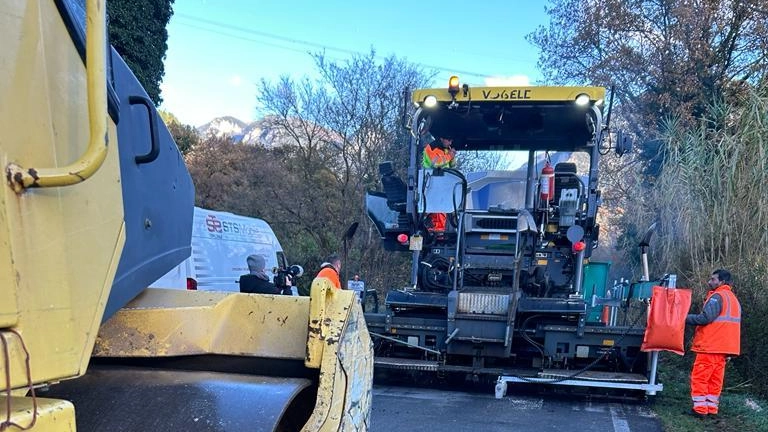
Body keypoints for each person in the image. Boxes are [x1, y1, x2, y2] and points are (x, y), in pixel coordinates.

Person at [685, 269, 741, 418]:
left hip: (710, 346)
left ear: (721, 282)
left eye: (713, 279)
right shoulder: (733, 299)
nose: (709, 282)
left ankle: (700, 410)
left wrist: (683, 317)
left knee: (700, 378)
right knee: (715, 380)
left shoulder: (717, 297)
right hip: (724, 348)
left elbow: (705, 318)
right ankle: (711, 409)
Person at [421, 135, 457, 233]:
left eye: (451, 141)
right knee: (436, 209)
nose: (450, 143)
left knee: (442, 209)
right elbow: (436, 163)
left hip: (443, 183)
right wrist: (450, 156)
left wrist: (452, 157)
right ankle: (436, 232)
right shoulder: (431, 147)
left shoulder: (446, 150)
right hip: (431, 183)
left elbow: (452, 166)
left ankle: (439, 231)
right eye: (449, 140)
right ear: (442, 138)